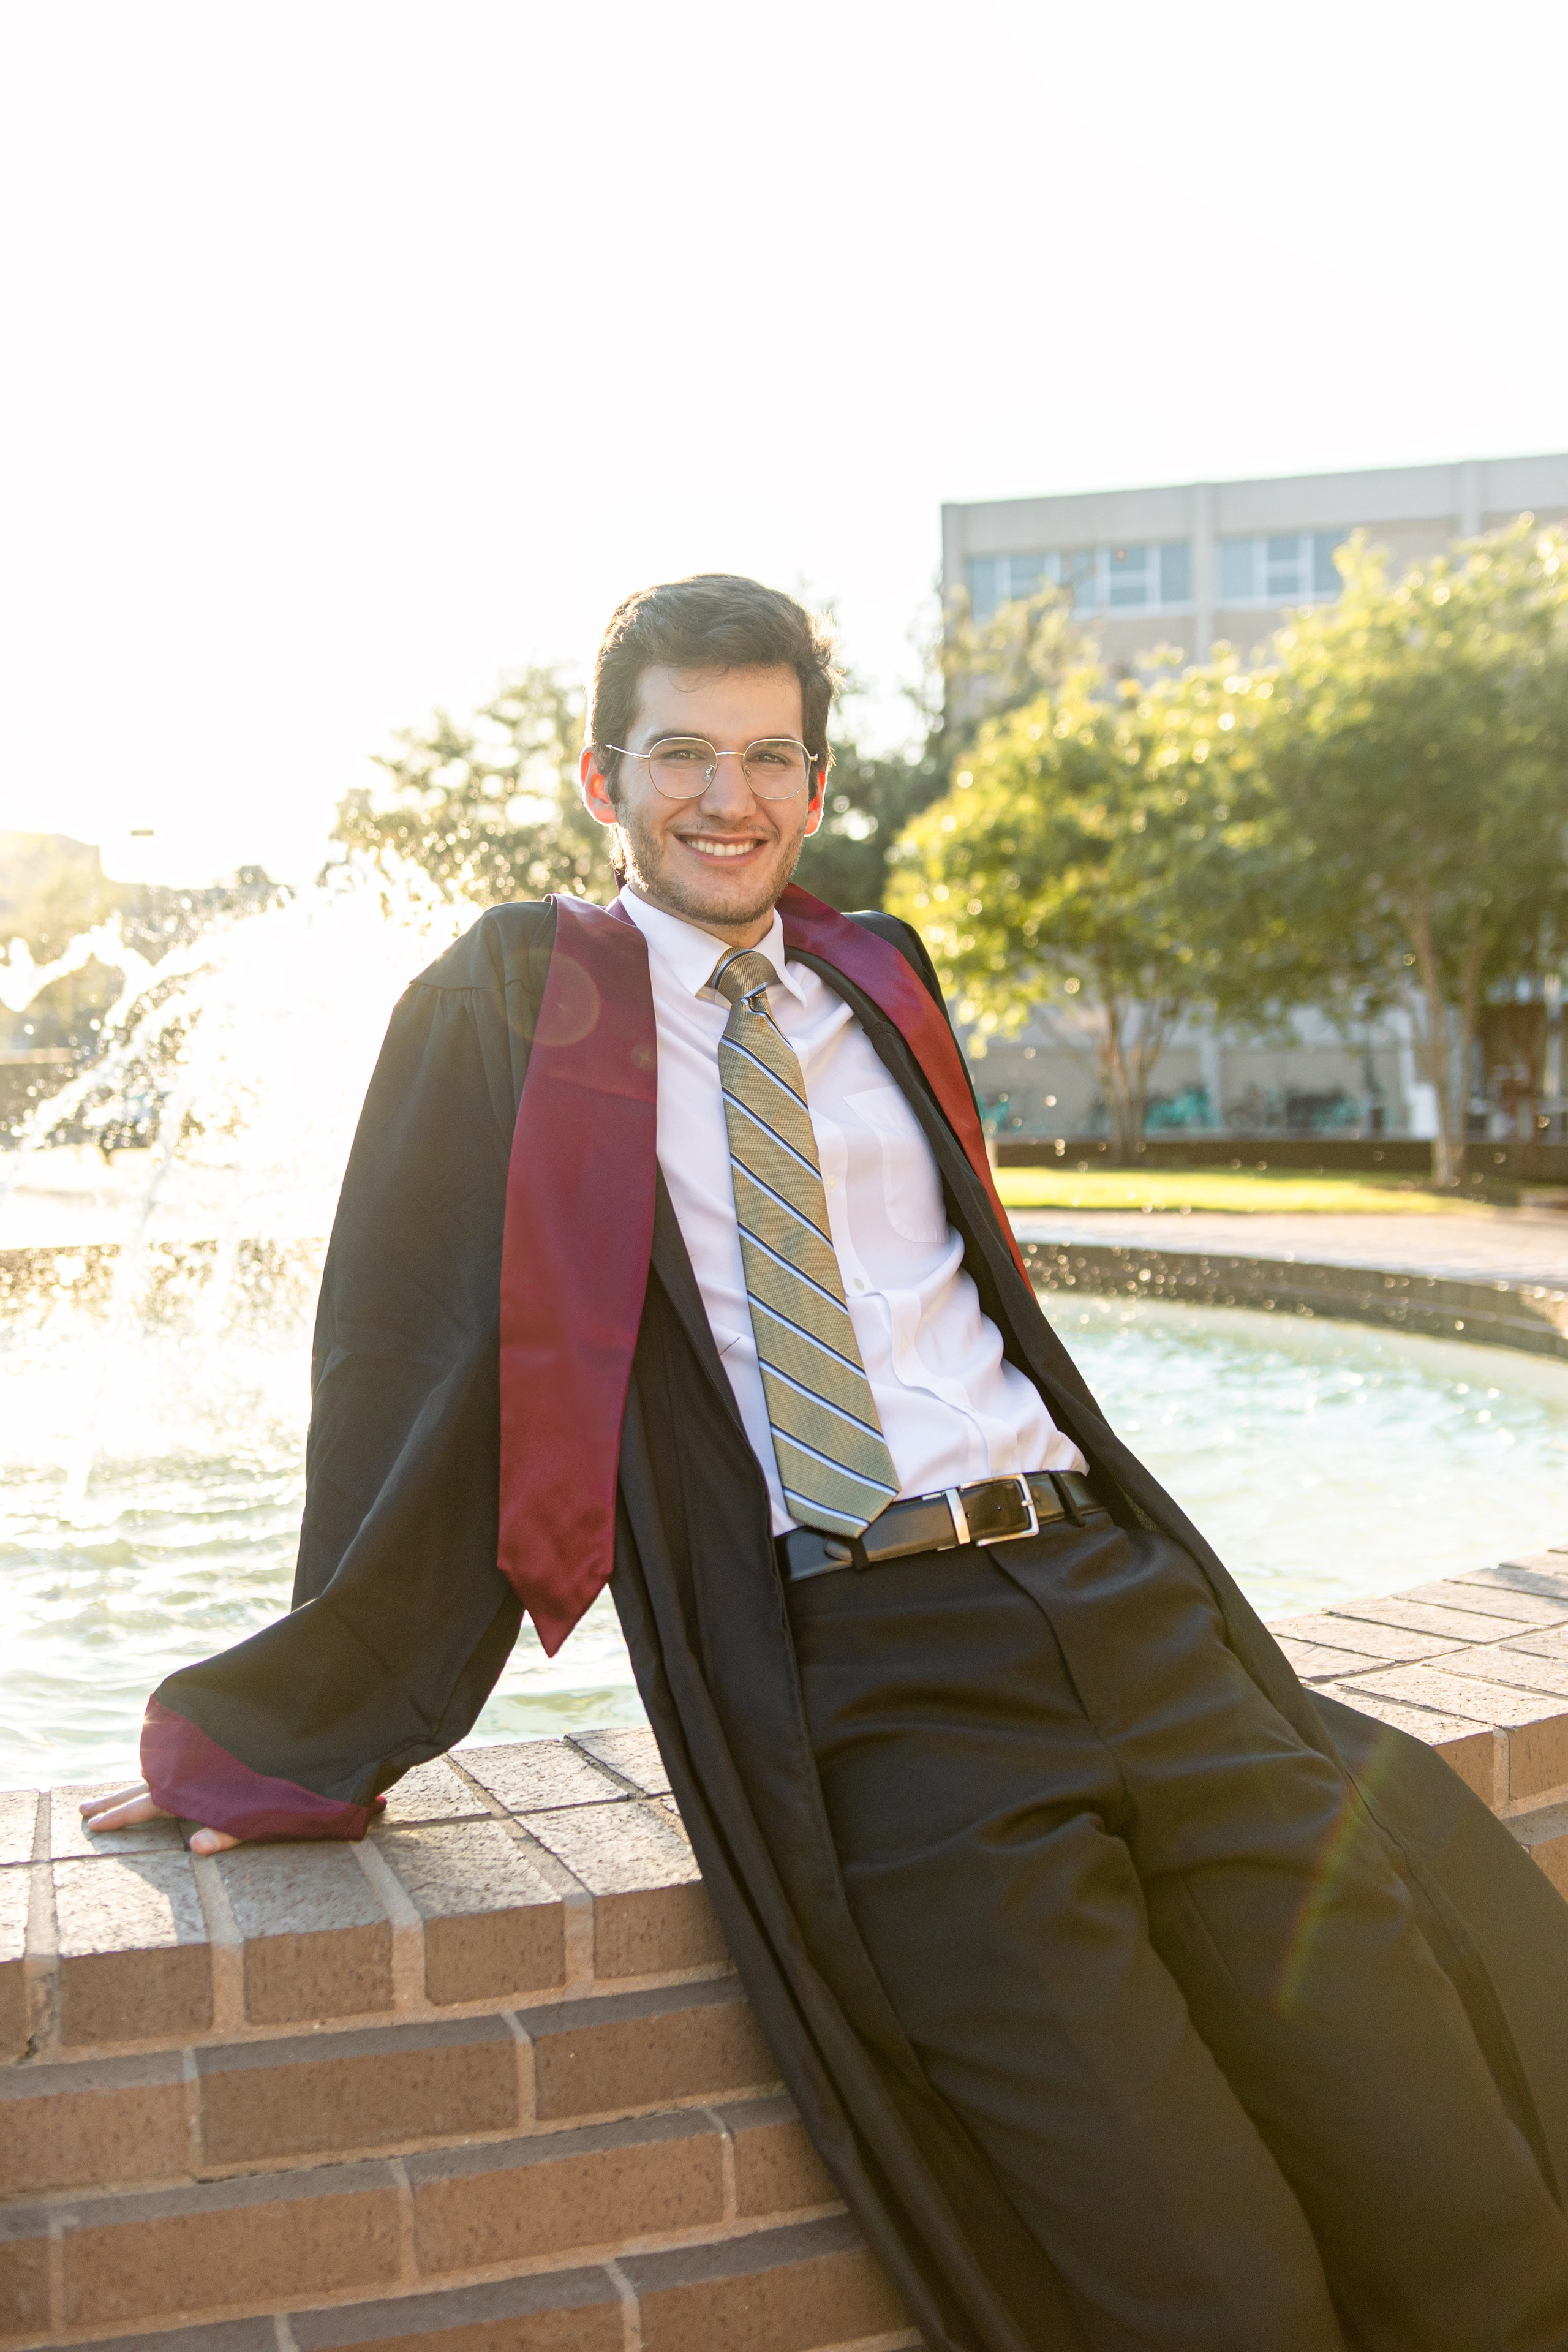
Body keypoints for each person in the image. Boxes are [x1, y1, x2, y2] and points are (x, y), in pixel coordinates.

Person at [86, 575, 1568, 2352]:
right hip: (884, 1681)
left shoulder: (879, 976)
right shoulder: (522, 1004)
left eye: (769, 756)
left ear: (815, 780)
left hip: (1129, 1605)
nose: (729, 798)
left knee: (1463, 2191)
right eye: (682, 756)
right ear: (601, 778)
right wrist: (296, 1719)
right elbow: (403, 1361)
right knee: (1206, 2284)